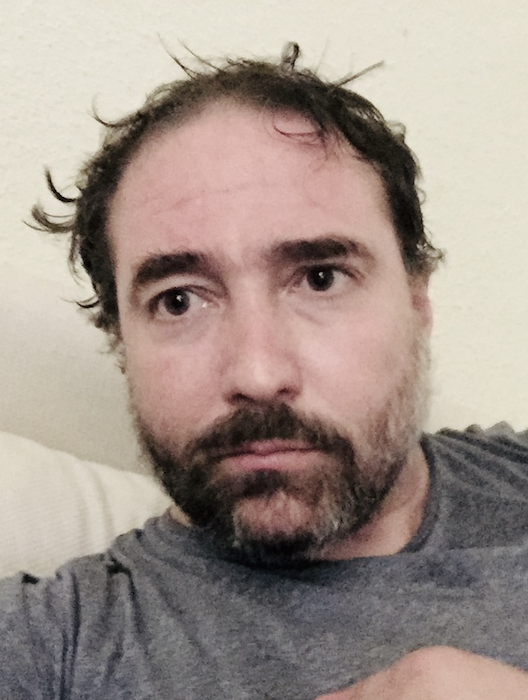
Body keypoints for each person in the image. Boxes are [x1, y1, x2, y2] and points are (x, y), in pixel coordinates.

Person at [2, 43, 528, 698]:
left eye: (320, 278)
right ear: (119, 339)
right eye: (179, 300)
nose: (257, 373)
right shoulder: (57, 643)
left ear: (417, 297)